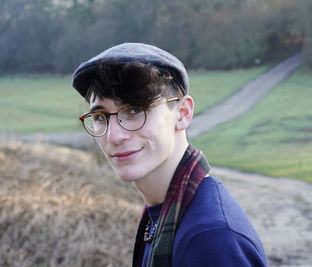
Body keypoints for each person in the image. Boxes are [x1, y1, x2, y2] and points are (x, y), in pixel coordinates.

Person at [72, 43, 268, 267]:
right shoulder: (162, 213)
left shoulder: (211, 239)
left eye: (135, 110)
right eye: (100, 116)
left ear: (182, 113)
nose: (115, 136)